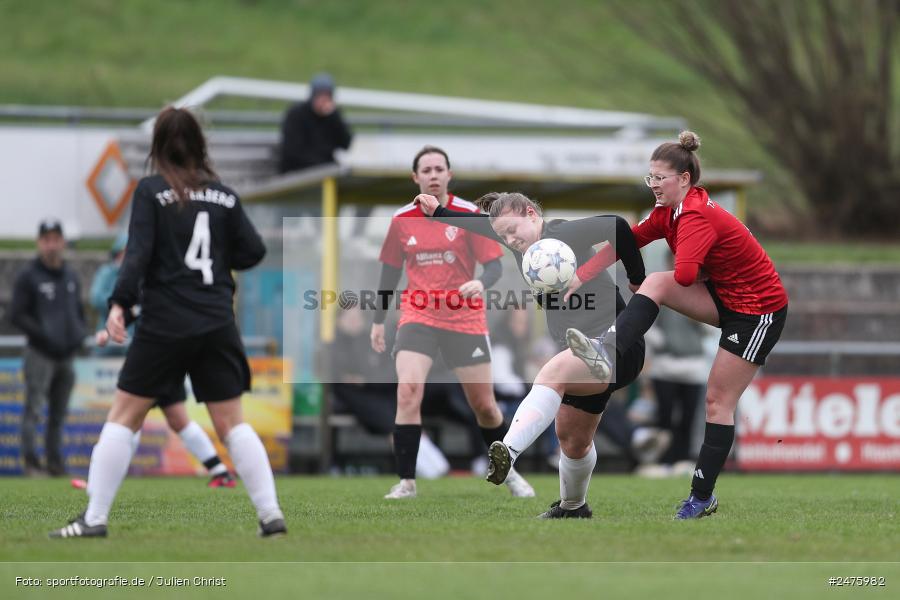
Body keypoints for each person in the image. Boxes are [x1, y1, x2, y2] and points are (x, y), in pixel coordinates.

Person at [49, 106, 285, 538]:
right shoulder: (225, 196)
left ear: (158, 147)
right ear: (200, 144)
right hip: (216, 321)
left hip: (165, 323)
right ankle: (271, 516)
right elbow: (254, 252)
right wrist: (217, 257)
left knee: (123, 417)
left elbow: (136, 255)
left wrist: (119, 304)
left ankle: (94, 519)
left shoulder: (151, 192)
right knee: (233, 422)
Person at [565, 131, 788, 519]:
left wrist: (682, 257)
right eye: (649, 177)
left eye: (660, 177)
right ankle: (607, 350)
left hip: (758, 312)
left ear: (684, 179)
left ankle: (701, 498)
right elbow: (628, 241)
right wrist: (582, 273)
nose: (653, 185)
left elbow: (685, 274)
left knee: (718, 402)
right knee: (653, 282)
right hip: (726, 298)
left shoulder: (695, 216)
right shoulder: (670, 212)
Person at [416, 189, 646, 518]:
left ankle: (508, 450)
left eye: (513, 229)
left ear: (531, 214)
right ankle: (573, 507)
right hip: (580, 353)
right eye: (503, 235)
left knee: (550, 375)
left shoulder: (561, 233)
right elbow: (478, 225)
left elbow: (619, 226)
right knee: (572, 439)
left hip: (619, 345)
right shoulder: (520, 245)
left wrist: (637, 279)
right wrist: (439, 212)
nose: (511, 239)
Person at [371, 145, 534, 500]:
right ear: (415, 177)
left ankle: (509, 473)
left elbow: (493, 266)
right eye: (425, 170)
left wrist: (482, 283)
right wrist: (378, 321)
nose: (432, 175)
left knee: (485, 406)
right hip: (418, 316)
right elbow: (389, 272)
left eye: (438, 169)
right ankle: (406, 483)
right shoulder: (402, 219)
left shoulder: (468, 214)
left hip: (465, 320)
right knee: (408, 391)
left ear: (449, 175)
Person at [89, 233, 236, 488]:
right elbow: (138, 309)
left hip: (155, 356)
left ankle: (99, 485)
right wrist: (110, 329)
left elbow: (144, 308)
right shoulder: (151, 275)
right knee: (175, 418)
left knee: (126, 418)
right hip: (165, 355)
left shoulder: (158, 275)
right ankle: (220, 471)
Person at [11, 219, 86, 477]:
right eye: (47, 240)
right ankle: (32, 464)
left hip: (66, 356)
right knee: (33, 409)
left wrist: (78, 335)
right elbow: (16, 314)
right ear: (39, 242)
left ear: (63, 242)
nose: (52, 245)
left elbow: (78, 311)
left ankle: (55, 464)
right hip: (39, 354)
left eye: (56, 239)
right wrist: (44, 335)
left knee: (59, 414)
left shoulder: (70, 275)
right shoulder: (29, 276)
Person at [278, 73, 353, 174]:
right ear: (313, 96)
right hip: (297, 171)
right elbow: (292, 152)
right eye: (320, 96)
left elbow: (346, 144)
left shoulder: (332, 117)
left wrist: (335, 117)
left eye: (327, 96)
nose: (324, 101)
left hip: (324, 170)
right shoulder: (296, 114)